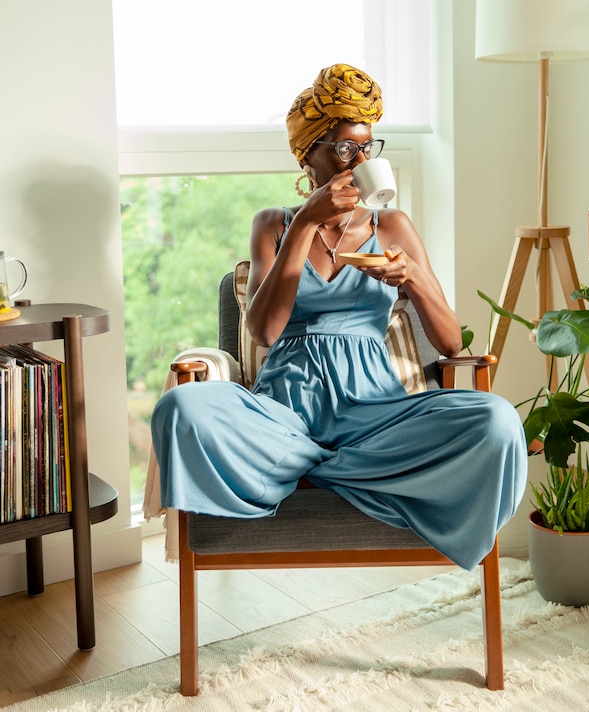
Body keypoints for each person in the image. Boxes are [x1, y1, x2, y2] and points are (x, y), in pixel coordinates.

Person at [151, 63, 527, 571]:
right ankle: (333, 466)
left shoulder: (392, 225)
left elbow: (451, 344)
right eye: (346, 147)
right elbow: (263, 330)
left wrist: (412, 279)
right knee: (181, 410)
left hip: (375, 413)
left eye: (367, 147)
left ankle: (319, 468)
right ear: (310, 154)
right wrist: (305, 222)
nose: (359, 159)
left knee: (498, 421)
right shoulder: (273, 224)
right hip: (284, 414)